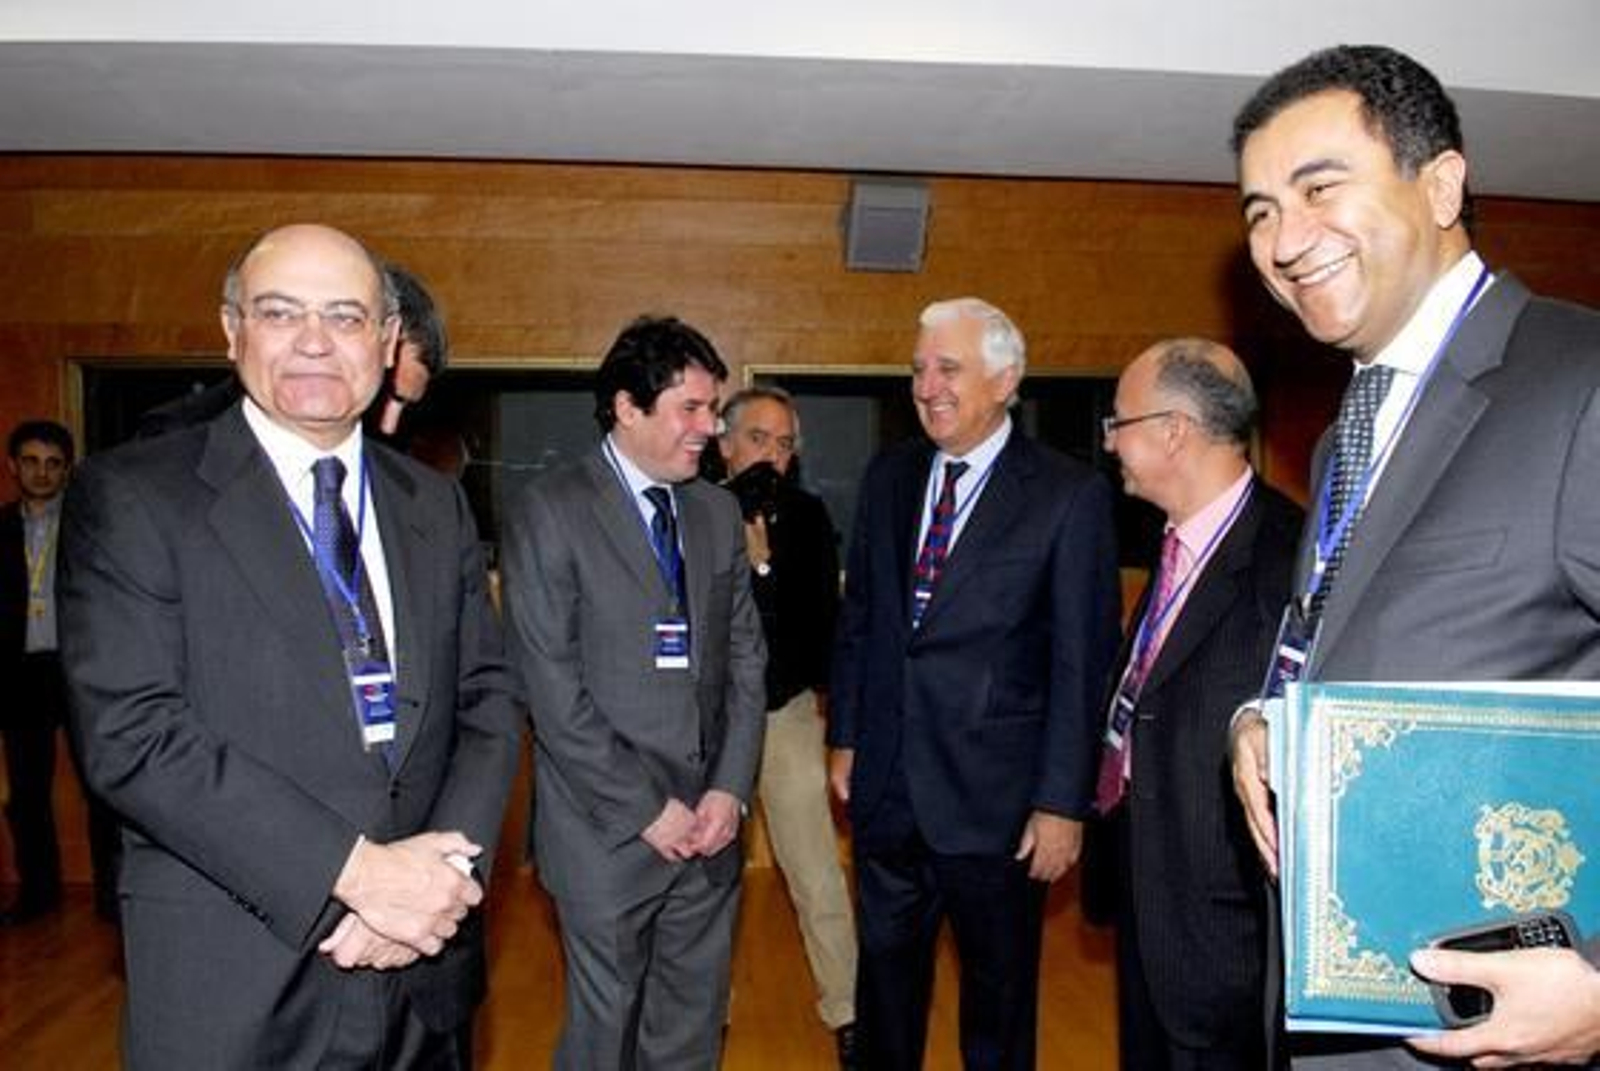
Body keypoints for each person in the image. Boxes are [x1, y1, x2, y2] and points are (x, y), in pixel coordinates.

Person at [58, 223, 522, 1069]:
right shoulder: (133, 496)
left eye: (345, 316)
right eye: (281, 312)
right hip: (236, 970)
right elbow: (133, 735)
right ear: (232, 329)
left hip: (423, 964)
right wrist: (358, 876)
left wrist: (433, 885)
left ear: (385, 344)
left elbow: (486, 702)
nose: (314, 340)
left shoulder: (434, 503)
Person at [1225, 45, 1600, 1068]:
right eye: (1258, 210)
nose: (1283, 240)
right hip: (1352, 1001)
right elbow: (1347, 635)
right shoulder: (1361, 413)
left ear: (1440, 184)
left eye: (1318, 188)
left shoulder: (1578, 383)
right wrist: (1268, 717)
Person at [827, 296, 1121, 1070]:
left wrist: (1063, 802)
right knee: (884, 993)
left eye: (948, 368)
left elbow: (1081, 660)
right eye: (919, 370)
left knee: (997, 1006)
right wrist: (847, 734)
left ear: (1005, 378)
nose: (928, 387)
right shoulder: (889, 475)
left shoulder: (1067, 493)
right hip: (887, 789)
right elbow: (863, 617)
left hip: (998, 803)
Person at [501, 314, 767, 1069]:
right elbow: (550, 691)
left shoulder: (715, 511)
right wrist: (648, 809)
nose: (709, 429)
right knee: (602, 1036)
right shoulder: (551, 511)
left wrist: (728, 789)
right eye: (690, 408)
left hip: (710, 831)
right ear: (626, 405)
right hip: (607, 835)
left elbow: (746, 660)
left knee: (689, 1029)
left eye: (712, 410)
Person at [1084, 339, 1301, 1069]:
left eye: (1120, 422)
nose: (1110, 440)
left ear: (1174, 430)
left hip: (1221, 928)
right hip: (1149, 887)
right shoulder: (1177, 545)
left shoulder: (1286, 557)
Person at [717, 385, 859, 1068]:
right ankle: (705, 1012)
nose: (769, 454)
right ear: (724, 441)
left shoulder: (806, 516)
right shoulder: (693, 505)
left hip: (785, 713)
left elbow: (816, 626)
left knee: (815, 872)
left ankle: (849, 1010)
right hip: (705, 725)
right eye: (756, 438)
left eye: (782, 443)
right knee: (707, 881)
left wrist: (763, 565)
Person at [135, 262, 448, 441]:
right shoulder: (175, 439)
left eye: (405, 406)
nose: (389, 426)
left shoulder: (404, 487)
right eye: (388, 393)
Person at [0, 420, 74, 924]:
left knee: (106, 789)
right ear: (13, 466)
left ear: (67, 469)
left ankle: (115, 900)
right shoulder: (0, 527)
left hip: (78, 670)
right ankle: (38, 894)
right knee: (26, 794)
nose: (41, 472)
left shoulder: (91, 527)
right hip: (18, 674)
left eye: (52, 463)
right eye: (30, 461)